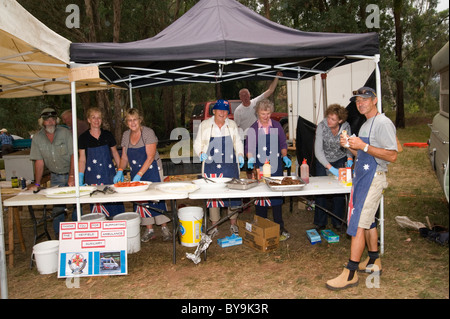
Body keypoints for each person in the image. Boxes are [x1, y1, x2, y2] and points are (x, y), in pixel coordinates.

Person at [326, 87, 398, 290]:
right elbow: (363, 155)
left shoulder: (383, 123)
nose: (360, 103)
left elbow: (392, 155)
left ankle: (350, 272)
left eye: (365, 99)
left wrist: (363, 146)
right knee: (368, 222)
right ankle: (374, 260)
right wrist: (349, 145)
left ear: (374, 100)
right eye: (357, 100)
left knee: (358, 223)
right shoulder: (366, 124)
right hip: (363, 176)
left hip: (374, 178)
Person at [113, 108, 171, 242]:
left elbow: (150, 157)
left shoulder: (148, 133)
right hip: (135, 171)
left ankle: (164, 227)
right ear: (126, 122)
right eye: (129, 120)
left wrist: (139, 175)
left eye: (135, 119)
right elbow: (124, 157)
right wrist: (120, 170)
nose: (132, 123)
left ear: (140, 120)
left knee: (157, 198)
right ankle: (149, 229)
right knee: (141, 201)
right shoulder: (126, 135)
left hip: (152, 169)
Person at [193, 99, 245, 237]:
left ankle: (233, 225)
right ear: (214, 111)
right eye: (220, 110)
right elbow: (197, 143)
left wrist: (240, 154)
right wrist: (201, 153)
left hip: (230, 166)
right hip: (211, 166)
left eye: (225, 110)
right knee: (213, 196)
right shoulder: (205, 125)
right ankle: (214, 225)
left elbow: (238, 143)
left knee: (232, 195)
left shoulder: (232, 125)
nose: (222, 113)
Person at [245, 99, 292, 241]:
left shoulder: (277, 126)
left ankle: (280, 226)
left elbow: (283, 144)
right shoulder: (253, 128)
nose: (265, 116)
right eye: (262, 113)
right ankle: (261, 225)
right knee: (261, 196)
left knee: (276, 196)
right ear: (257, 113)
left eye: (268, 113)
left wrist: (284, 156)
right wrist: (250, 158)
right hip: (260, 165)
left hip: (276, 165)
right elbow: (249, 148)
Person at [28, 107, 76, 237]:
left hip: (71, 174)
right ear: (42, 122)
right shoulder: (37, 138)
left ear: (56, 121)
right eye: (47, 120)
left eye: (53, 119)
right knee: (58, 209)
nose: (50, 122)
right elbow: (39, 162)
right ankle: (59, 237)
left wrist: (72, 176)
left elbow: (73, 155)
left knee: (77, 205)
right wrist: (37, 184)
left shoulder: (65, 133)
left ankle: (78, 233)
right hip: (55, 176)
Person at [78, 107, 124, 218]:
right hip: (92, 177)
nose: (96, 120)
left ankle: (117, 227)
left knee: (114, 202)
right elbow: (82, 159)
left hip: (109, 175)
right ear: (88, 120)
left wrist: (120, 170)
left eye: (99, 118)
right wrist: (80, 176)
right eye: (93, 117)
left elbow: (115, 154)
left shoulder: (107, 135)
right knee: (97, 206)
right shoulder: (83, 138)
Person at [314, 104, 353, 232]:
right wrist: (330, 167)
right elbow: (318, 151)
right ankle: (320, 222)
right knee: (321, 190)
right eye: (328, 117)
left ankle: (338, 221)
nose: (329, 121)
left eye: (333, 119)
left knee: (339, 190)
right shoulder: (321, 126)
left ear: (340, 121)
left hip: (340, 158)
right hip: (323, 159)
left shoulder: (346, 127)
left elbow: (349, 146)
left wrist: (349, 158)